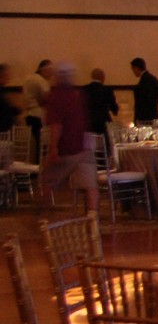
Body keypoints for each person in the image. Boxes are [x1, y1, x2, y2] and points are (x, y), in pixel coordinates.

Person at [37, 64, 98, 213]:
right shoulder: (77, 95)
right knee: (90, 184)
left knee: (46, 179)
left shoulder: (55, 97)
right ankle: (92, 215)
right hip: (84, 144)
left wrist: (53, 148)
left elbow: (57, 125)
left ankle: (45, 215)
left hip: (68, 147)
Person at [22, 59, 50, 162]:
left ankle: (36, 166)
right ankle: (40, 168)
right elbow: (46, 97)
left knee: (36, 144)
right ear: (44, 70)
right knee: (42, 145)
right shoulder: (41, 81)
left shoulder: (28, 79)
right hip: (39, 115)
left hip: (29, 115)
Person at [82, 68, 118, 138]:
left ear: (92, 77)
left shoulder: (85, 90)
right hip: (103, 123)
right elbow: (114, 108)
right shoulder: (107, 90)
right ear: (103, 77)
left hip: (89, 122)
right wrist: (115, 111)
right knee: (105, 143)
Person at [129, 57, 158, 124]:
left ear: (136, 68)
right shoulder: (153, 79)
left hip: (144, 118)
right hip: (153, 115)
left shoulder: (143, 82)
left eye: (133, 69)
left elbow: (141, 103)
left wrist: (137, 118)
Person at [0, 64, 17, 136]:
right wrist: (14, 110)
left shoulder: (2, 90)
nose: (8, 77)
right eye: (6, 75)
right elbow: (3, 108)